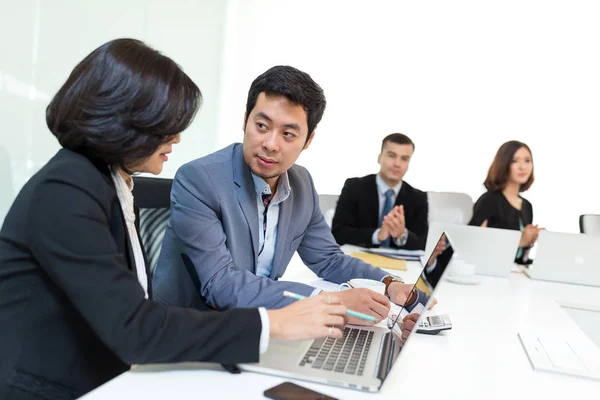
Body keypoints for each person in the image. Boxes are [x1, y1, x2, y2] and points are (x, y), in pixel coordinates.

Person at [0, 40, 349, 400]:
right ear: (123, 121)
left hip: (112, 373)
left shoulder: (107, 182)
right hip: (53, 388)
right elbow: (134, 329)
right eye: (165, 126)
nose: (177, 138)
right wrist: (273, 323)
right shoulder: (67, 191)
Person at [153, 66, 428, 325]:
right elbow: (221, 285)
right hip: (191, 329)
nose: (270, 144)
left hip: (267, 324)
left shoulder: (302, 183)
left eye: (288, 134)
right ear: (245, 120)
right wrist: (329, 303)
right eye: (261, 126)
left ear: (308, 140)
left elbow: (329, 259)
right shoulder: (199, 179)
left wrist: (389, 284)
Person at [331, 133, 429, 250]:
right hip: (359, 261)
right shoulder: (354, 187)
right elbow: (338, 233)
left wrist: (402, 235)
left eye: (404, 159)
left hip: (401, 265)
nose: (397, 164)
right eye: (391, 156)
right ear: (379, 158)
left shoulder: (418, 198)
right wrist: (377, 235)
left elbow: (424, 244)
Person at [468, 140, 542, 264]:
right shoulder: (489, 200)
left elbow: (519, 257)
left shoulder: (527, 206)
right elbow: (472, 244)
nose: (522, 166)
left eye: (527, 160)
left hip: (515, 272)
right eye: (515, 161)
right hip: (489, 270)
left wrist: (531, 240)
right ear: (504, 164)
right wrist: (521, 240)